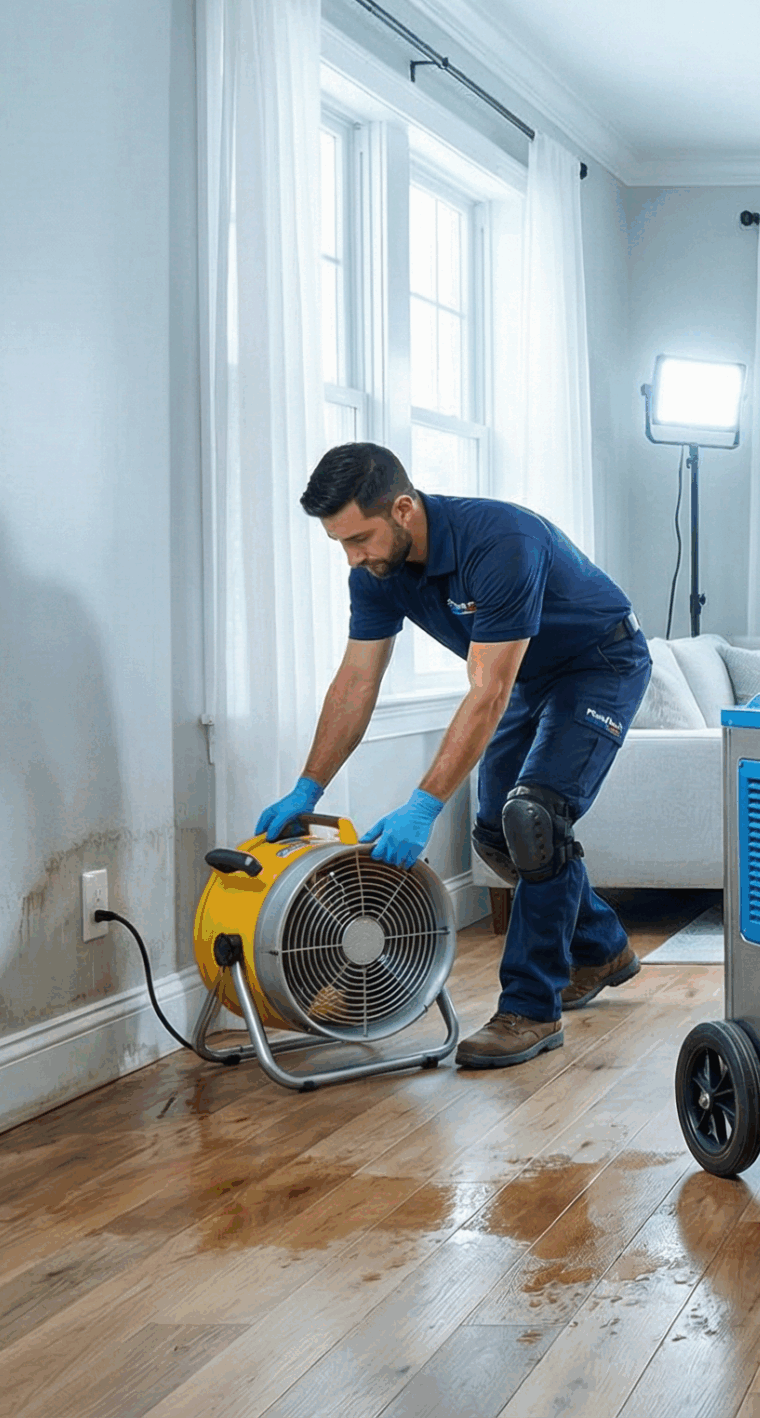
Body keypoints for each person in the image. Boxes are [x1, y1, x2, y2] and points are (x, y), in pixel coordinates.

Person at [256, 443, 651, 1069]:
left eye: (359, 537)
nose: (353, 557)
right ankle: (601, 945)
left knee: (534, 819)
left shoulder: (501, 541)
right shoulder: (377, 574)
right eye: (341, 544)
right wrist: (309, 787)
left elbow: (487, 690)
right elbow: (357, 680)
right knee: (497, 835)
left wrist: (422, 805)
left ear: (405, 509)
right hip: (528, 675)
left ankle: (530, 1009)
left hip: (600, 662)